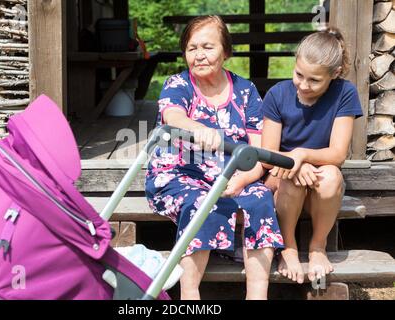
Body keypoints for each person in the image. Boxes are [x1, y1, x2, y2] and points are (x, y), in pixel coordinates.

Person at [145, 15, 284, 300]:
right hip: (180, 173)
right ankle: (190, 296)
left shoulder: (245, 91)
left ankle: (257, 295)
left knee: (260, 199)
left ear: (226, 51)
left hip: (232, 173)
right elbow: (172, 115)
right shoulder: (178, 84)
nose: (198, 55)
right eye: (192, 48)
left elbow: (258, 150)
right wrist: (199, 129)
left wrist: (245, 177)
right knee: (202, 202)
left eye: (207, 47)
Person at [261, 27, 363, 284]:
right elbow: (267, 154)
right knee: (293, 177)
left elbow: (337, 154)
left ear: (335, 74)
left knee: (330, 176)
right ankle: (289, 248)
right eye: (299, 75)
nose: (303, 85)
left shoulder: (345, 93)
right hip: (283, 180)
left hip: (321, 180)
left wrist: (302, 155)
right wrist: (293, 164)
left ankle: (318, 247)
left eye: (314, 80)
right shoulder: (277, 94)